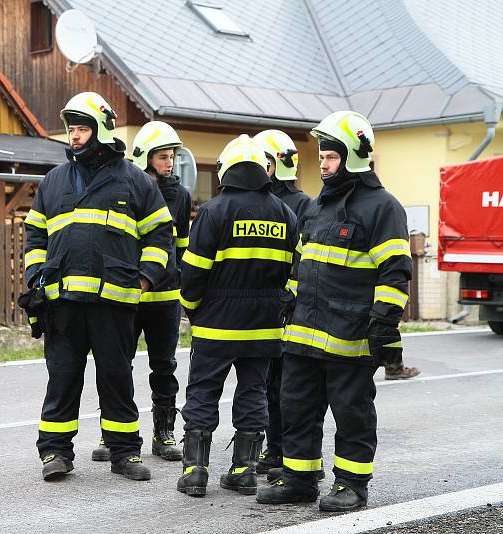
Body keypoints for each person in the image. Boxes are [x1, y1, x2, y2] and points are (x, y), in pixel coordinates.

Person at [256, 111, 412, 511]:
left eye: (330, 157)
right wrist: (288, 303)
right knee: (297, 407)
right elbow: (300, 265)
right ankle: (300, 479)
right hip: (304, 333)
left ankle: (351, 485)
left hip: (352, 334)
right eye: (322, 157)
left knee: (351, 413)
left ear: (354, 156)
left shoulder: (382, 207)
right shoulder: (318, 206)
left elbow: (394, 273)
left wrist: (383, 323)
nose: (322, 165)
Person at [24, 92, 174, 482]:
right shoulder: (54, 182)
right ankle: (55, 452)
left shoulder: (136, 181)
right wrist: (36, 280)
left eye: (82, 129)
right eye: (71, 130)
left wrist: (144, 278)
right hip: (63, 303)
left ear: (103, 129)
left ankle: (125, 453)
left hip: (114, 301)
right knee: (62, 378)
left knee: (116, 378)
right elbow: (34, 237)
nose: (74, 137)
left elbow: (160, 236)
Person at [176, 135, 298, 497]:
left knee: (202, 393)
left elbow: (193, 272)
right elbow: (296, 273)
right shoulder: (284, 214)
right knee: (253, 394)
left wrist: (193, 308)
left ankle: (195, 472)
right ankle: (244, 471)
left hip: (216, 325)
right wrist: (279, 307)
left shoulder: (215, 211)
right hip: (264, 328)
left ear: (225, 170)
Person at [90, 121, 191, 463]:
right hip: (128, 295)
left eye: (172, 157)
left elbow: (180, 247)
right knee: (117, 365)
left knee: (164, 367)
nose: (169, 164)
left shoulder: (181, 196)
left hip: (164, 298)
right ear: (145, 157)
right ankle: (112, 431)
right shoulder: (127, 186)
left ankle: (164, 433)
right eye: (163, 157)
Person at [252, 129, 316, 477]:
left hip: (286, 309)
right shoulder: (255, 199)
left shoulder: (301, 205)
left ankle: (278, 449)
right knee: (260, 383)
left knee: (280, 384)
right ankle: (264, 443)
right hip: (258, 305)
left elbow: (300, 260)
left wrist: (287, 297)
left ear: (275, 165)